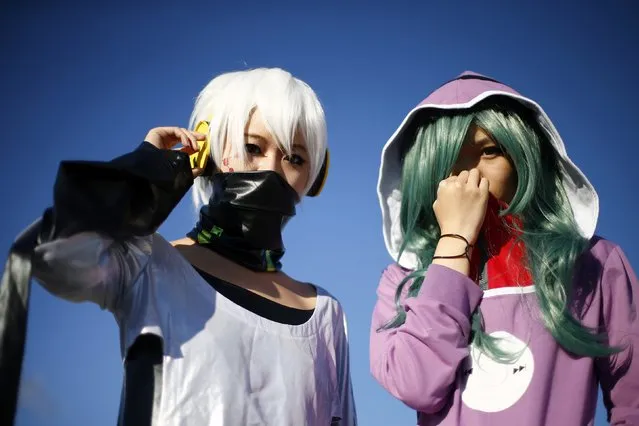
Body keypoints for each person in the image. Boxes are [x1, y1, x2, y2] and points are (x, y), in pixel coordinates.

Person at [1, 67, 356, 426]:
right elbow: (54, 257)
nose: (273, 170)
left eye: (295, 158)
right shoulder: (147, 263)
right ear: (208, 149)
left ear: (314, 177)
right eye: (253, 147)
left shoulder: (325, 315)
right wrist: (146, 174)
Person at [370, 71, 638, 425]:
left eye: (490, 151)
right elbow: (415, 385)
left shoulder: (595, 265)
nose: (470, 176)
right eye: (448, 160)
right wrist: (454, 242)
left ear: (525, 158)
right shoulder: (403, 282)